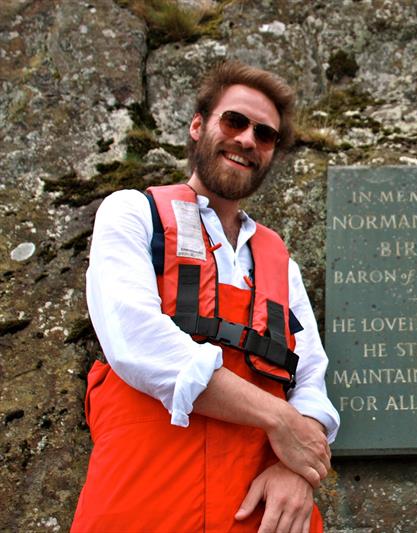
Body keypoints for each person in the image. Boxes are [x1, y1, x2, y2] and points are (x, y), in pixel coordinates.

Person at [72, 61, 339, 533]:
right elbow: (136, 340)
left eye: (265, 134)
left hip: (260, 514)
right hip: (141, 504)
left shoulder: (280, 262)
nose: (247, 139)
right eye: (234, 121)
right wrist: (280, 421)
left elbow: (311, 377)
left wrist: (298, 470)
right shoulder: (134, 214)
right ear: (198, 126)